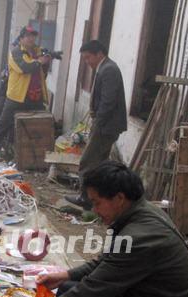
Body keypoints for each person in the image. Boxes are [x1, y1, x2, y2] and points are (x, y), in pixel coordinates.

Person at [1, 162, 188, 297]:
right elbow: (107, 261)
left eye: (97, 203)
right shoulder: (139, 213)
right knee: (67, 290)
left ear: (119, 198)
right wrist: (65, 275)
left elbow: (94, 288)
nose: (94, 210)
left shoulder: (141, 234)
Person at [66, 40, 127, 210]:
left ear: (99, 53)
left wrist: (98, 123)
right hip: (105, 124)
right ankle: (98, 199)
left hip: (105, 125)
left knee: (88, 162)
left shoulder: (109, 70)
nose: (87, 62)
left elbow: (108, 101)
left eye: (88, 58)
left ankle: (86, 198)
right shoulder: (106, 68)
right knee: (99, 163)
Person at [0, 26, 52, 148]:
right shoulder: (15, 52)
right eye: (28, 36)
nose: (31, 39)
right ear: (21, 38)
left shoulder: (37, 51)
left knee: (37, 125)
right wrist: (40, 61)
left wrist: (49, 55)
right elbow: (24, 68)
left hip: (35, 96)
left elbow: (45, 58)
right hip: (17, 96)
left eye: (33, 36)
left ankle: (34, 156)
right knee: (3, 124)